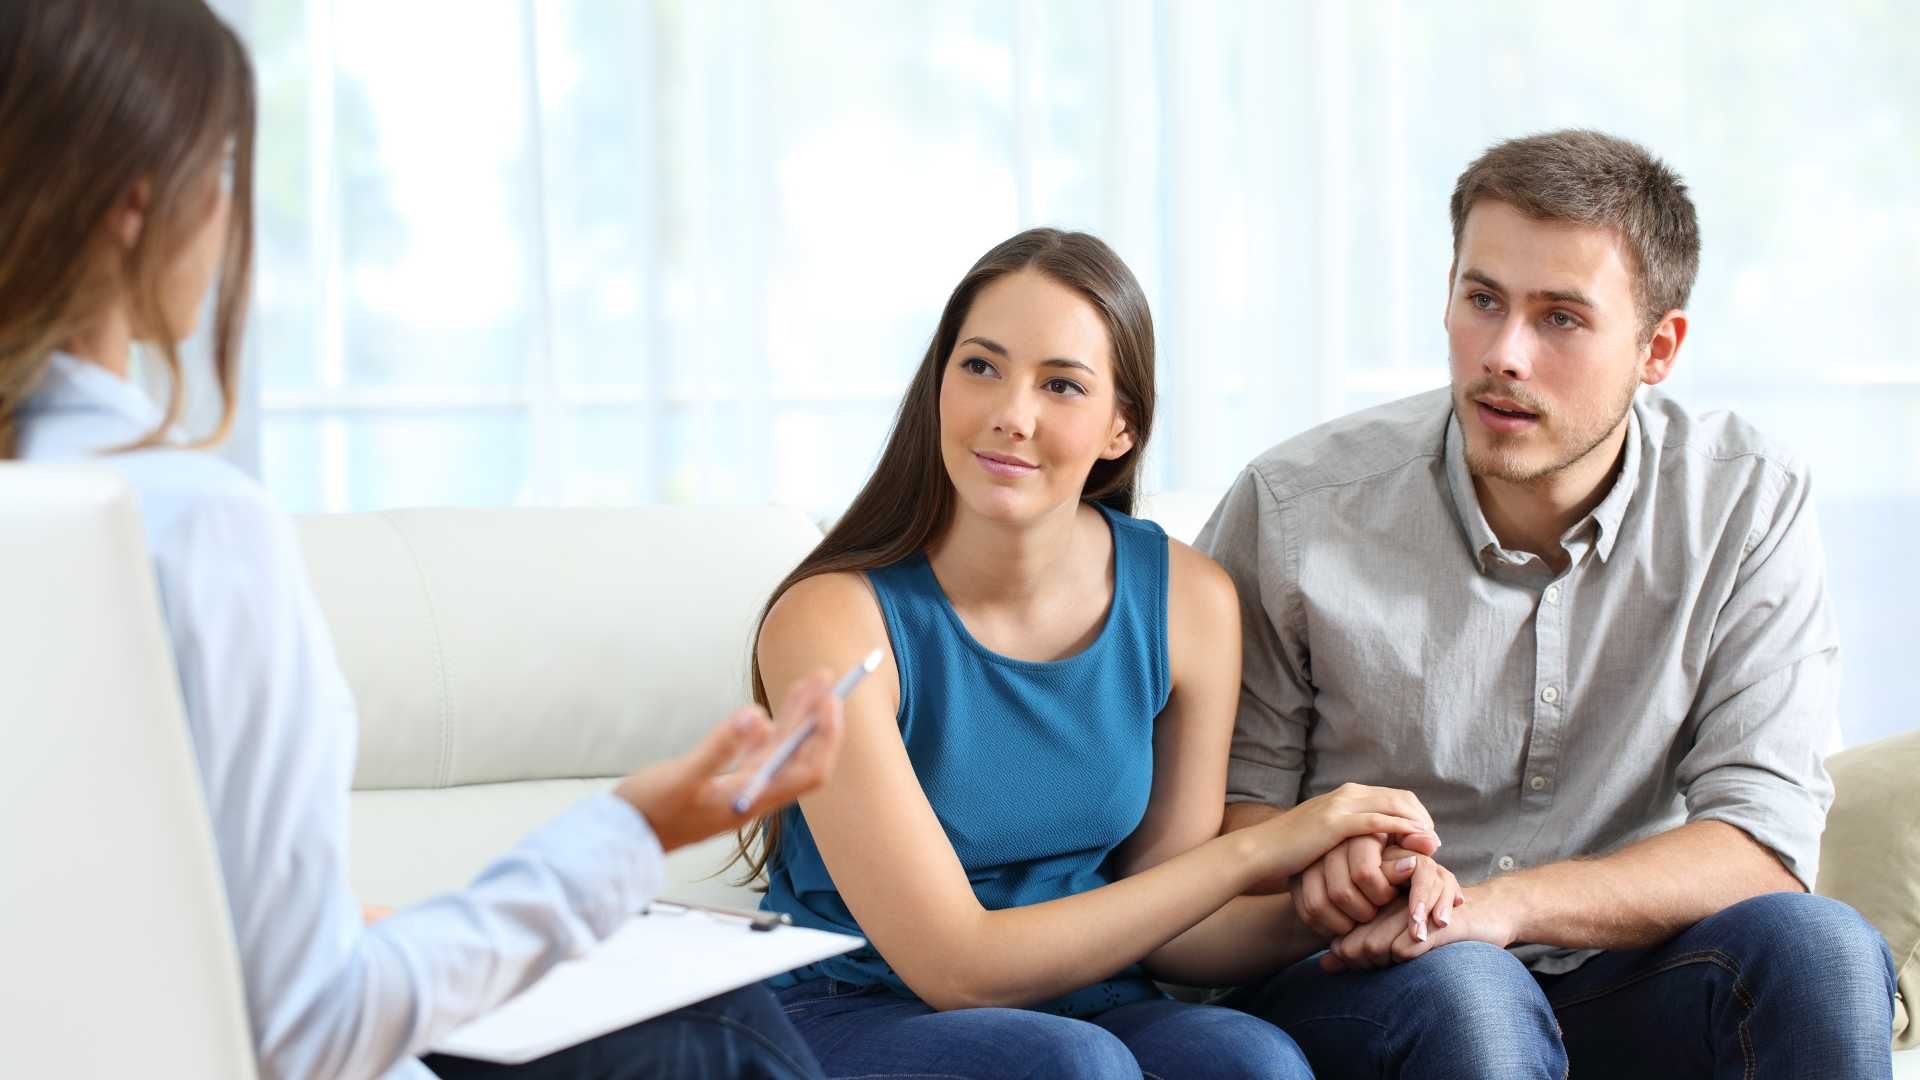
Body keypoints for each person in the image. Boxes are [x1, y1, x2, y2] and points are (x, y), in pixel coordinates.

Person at [0, 3, 843, 1077]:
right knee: (729, 1044)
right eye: (214, 165)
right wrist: (634, 829)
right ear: (133, 207)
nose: (225, 206)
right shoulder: (188, 529)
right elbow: (315, 1035)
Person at [1199, 129, 1898, 1078]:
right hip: (1372, 979)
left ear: (1659, 347)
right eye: (1482, 300)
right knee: (1472, 992)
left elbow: (1762, 841)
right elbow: (1224, 823)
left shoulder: (1747, 500)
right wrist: (1321, 866)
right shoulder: (1292, 511)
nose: (1505, 356)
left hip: (1623, 973)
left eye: (1561, 318)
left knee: (1823, 951)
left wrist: (1508, 903)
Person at [742, 226, 1450, 1079]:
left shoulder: (1188, 600)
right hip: (851, 1005)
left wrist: (1345, 898)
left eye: (1062, 385)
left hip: (1092, 1001)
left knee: (1252, 1062)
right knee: (1073, 1068)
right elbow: (957, 966)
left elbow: (1182, 925)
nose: (1011, 411)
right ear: (938, 385)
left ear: (1121, 428)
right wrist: (1265, 849)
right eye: (980, 367)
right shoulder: (832, 624)